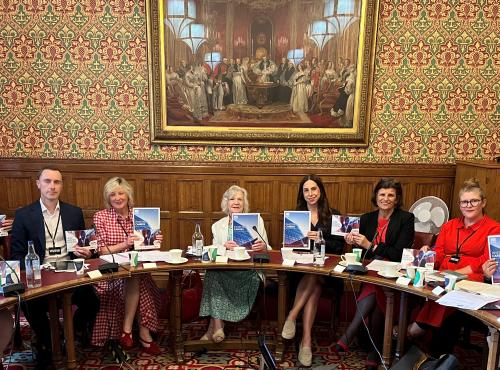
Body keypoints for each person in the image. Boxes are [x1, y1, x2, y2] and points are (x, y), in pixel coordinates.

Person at [10, 166, 99, 370]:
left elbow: (83, 245)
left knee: (92, 301)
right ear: (38, 184)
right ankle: (50, 341)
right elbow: (16, 255)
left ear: (62, 185)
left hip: (69, 271)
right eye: (47, 181)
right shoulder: (23, 215)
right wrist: (35, 267)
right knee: (30, 304)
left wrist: (85, 252)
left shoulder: (74, 212)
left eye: (57, 182)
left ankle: (72, 332)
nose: (52, 186)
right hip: (40, 273)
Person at [407, 179, 500, 356]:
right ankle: (427, 347)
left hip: (471, 281)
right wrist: (428, 255)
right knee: (441, 291)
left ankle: (421, 334)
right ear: (459, 204)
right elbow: (440, 253)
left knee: (449, 295)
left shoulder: (494, 228)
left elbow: (486, 261)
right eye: (464, 202)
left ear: (483, 203)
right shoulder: (449, 226)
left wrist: (456, 273)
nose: (469, 205)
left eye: (474, 201)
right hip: (441, 277)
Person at [336, 178, 415, 369]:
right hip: (370, 269)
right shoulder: (366, 218)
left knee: (378, 286)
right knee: (375, 284)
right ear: (376, 197)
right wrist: (352, 240)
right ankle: (374, 349)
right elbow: (362, 253)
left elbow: (399, 253)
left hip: (394, 272)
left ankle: (352, 334)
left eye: (390, 195)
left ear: (397, 199)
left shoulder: (406, 219)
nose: (386, 198)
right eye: (382, 194)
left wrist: (370, 245)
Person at [91, 177, 161, 355]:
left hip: (136, 268)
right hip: (110, 272)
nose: (117, 197)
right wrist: (125, 243)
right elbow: (101, 251)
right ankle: (143, 334)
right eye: (112, 194)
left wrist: (155, 240)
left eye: (121, 193)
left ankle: (127, 331)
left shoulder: (140, 216)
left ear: (128, 195)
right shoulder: (101, 216)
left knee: (136, 276)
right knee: (136, 278)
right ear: (108, 198)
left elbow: (147, 245)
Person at [281, 175, 345, 366]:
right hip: (302, 271)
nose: (310, 194)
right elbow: (291, 245)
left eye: (314, 189)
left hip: (328, 272)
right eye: (306, 190)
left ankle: (292, 316)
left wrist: (320, 237)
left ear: (321, 191)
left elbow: (339, 247)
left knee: (316, 275)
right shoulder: (295, 215)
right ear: (302, 194)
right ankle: (306, 341)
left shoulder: (333, 214)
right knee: (314, 283)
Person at [199, 185, 270, 342]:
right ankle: (218, 325)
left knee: (215, 276)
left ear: (244, 203)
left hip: (249, 272)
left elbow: (268, 249)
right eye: (232, 199)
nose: (236, 202)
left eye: (240, 199)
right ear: (226, 203)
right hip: (225, 270)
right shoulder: (218, 226)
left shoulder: (256, 221)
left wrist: (263, 246)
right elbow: (213, 252)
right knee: (211, 274)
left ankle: (213, 328)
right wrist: (223, 246)